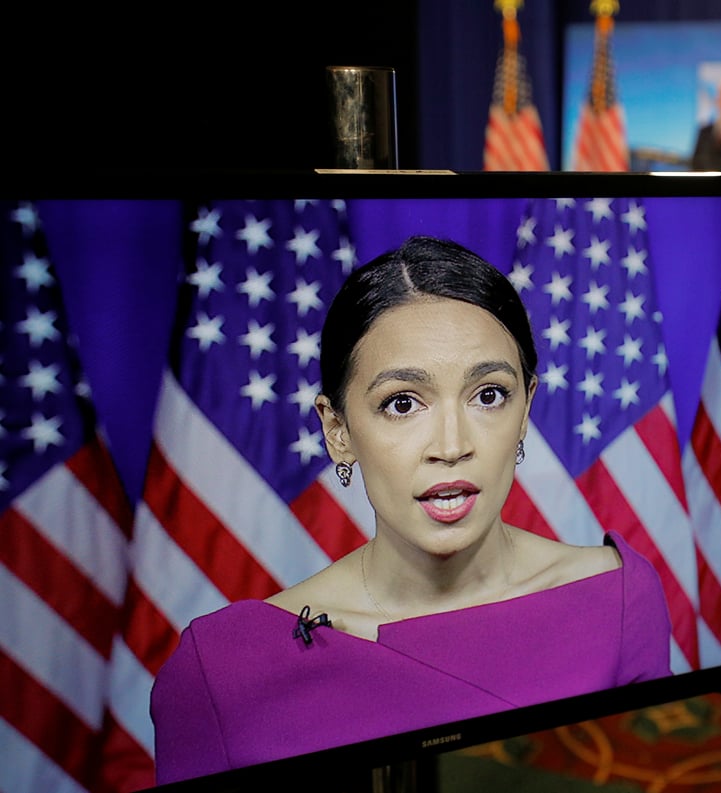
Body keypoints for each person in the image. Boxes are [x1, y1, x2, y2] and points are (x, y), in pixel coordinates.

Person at [149, 235, 673, 785]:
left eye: (488, 394)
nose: (451, 445)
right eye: (402, 403)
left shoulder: (617, 599)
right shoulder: (224, 670)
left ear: (526, 411)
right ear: (337, 430)